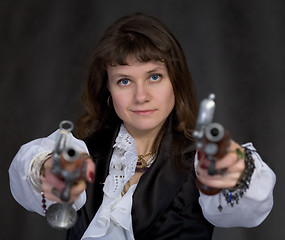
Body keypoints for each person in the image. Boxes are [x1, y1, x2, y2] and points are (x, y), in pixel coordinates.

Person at [9, 12, 276, 240]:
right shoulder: (83, 155)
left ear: (176, 83)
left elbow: (249, 206)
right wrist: (45, 169)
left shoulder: (202, 160)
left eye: (154, 77)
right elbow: (30, 168)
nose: (141, 96)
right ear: (108, 90)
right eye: (124, 81)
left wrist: (236, 173)